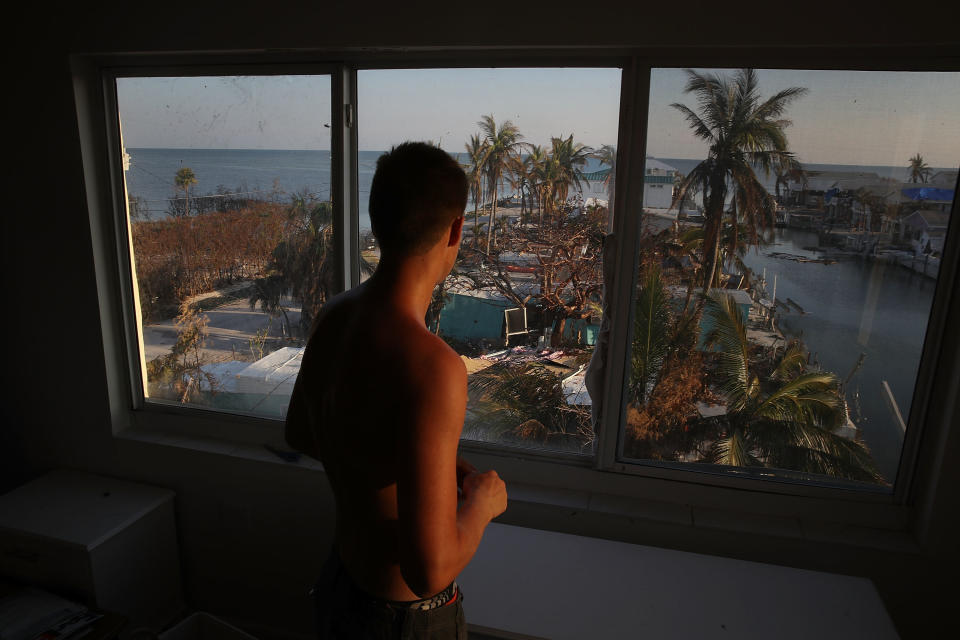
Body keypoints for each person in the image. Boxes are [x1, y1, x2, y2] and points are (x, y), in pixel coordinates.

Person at [285, 142, 508, 639]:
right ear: (455, 230)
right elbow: (428, 571)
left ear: (378, 219)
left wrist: (411, 461)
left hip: (340, 589)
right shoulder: (434, 367)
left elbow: (301, 432)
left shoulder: (336, 315)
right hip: (401, 623)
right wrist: (483, 503)